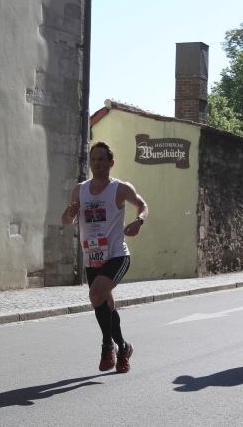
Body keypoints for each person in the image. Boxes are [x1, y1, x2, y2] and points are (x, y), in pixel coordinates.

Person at [61, 141, 148, 373]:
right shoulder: (80, 190)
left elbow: (142, 205)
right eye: (93, 159)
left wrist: (139, 221)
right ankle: (123, 347)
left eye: (101, 159)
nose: (96, 163)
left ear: (111, 163)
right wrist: (69, 214)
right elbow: (66, 221)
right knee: (105, 304)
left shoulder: (120, 188)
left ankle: (107, 345)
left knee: (95, 295)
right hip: (92, 257)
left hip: (117, 255)